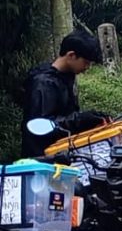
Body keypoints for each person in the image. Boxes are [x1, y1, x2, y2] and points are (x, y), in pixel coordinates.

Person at [21, 29, 106, 157]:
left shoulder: (66, 76)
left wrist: (90, 117)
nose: (87, 67)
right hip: (43, 156)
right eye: (86, 62)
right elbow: (40, 125)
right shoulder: (44, 83)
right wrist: (80, 120)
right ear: (71, 55)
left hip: (63, 149)